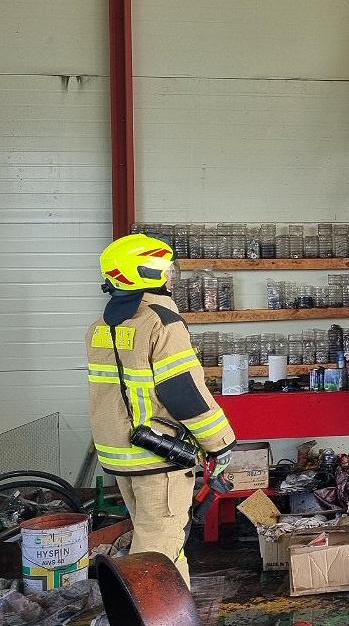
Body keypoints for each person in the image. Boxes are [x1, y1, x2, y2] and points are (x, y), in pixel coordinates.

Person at [87, 233, 236, 585]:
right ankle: (145, 609)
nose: (171, 277)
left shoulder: (99, 328)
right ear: (146, 274)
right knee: (155, 560)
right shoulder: (162, 323)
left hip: (122, 458)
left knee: (165, 546)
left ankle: (178, 608)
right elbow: (183, 393)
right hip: (158, 460)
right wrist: (221, 443)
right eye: (166, 270)